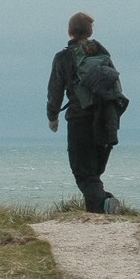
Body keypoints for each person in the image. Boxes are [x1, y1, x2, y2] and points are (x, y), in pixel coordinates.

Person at [47, 11, 121, 215]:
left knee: (83, 173)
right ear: (90, 31)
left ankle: (105, 204)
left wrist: (53, 117)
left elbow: (55, 90)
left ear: (69, 31)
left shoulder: (63, 57)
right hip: (106, 117)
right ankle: (101, 209)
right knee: (94, 172)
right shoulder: (101, 54)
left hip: (80, 119)